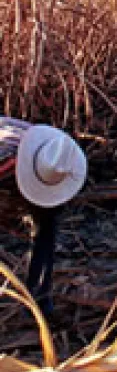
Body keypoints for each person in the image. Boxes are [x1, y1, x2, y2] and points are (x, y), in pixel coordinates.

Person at [0, 117, 87, 315]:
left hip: (37, 172)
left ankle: (40, 298)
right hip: (10, 166)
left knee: (46, 229)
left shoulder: (60, 158)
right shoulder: (5, 157)